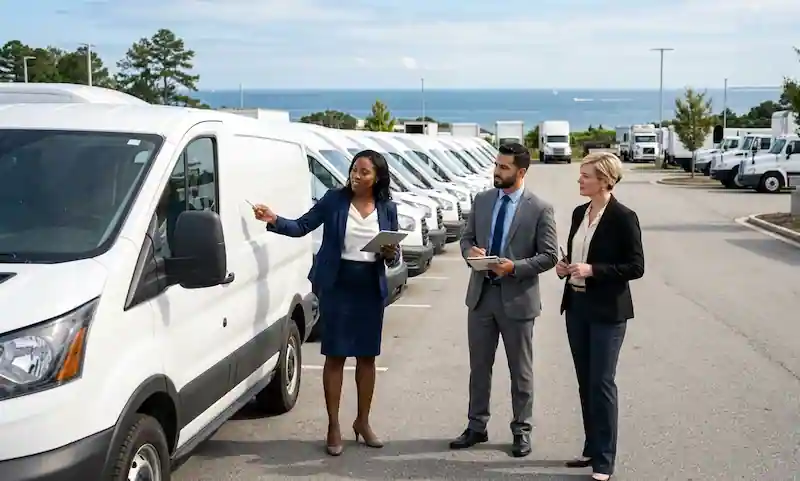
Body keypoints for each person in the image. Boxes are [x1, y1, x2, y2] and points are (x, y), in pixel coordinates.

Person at [252, 149, 400, 457]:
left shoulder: (387, 207)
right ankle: (334, 426)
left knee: (367, 358)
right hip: (338, 286)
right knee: (335, 357)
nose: (356, 176)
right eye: (354, 170)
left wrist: (390, 253)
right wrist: (274, 219)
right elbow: (302, 226)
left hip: (369, 288)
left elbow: (393, 253)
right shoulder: (334, 200)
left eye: (364, 172)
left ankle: (362, 421)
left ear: (377, 177)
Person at [451, 141, 558, 457]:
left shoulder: (539, 208)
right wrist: (470, 251)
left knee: (520, 371)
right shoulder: (483, 200)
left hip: (517, 301)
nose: (496, 171)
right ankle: (476, 426)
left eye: (504, 167)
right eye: (496, 165)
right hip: (481, 297)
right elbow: (467, 238)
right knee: (479, 367)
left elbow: (549, 256)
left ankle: (521, 430)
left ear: (521, 171)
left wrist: (515, 268)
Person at [556, 152, 644, 480]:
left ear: (606, 180)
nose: (579, 180)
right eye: (580, 175)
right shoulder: (580, 213)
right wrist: (565, 268)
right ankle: (592, 447)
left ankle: (604, 461)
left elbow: (636, 266)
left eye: (586, 176)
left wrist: (593, 270)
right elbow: (577, 254)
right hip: (576, 307)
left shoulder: (624, 217)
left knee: (602, 382)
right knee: (585, 381)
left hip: (608, 311)